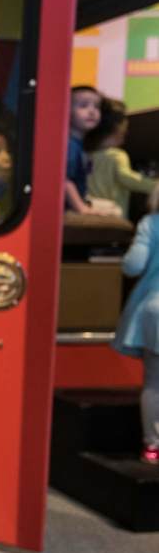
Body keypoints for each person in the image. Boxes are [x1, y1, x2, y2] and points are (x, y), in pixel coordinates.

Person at [112, 183, 159, 465]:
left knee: (154, 382)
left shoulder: (151, 223)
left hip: (155, 309)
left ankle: (153, 446)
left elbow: (134, 265)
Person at [86, 97, 157, 219]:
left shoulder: (87, 155)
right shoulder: (117, 155)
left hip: (92, 213)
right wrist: (155, 185)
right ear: (118, 130)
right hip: (114, 216)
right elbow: (128, 179)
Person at [64, 85, 103, 213]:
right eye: (83, 106)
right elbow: (65, 181)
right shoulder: (70, 145)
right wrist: (81, 208)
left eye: (96, 107)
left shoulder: (79, 144)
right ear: (67, 110)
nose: (92, 111)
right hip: (68, 208)